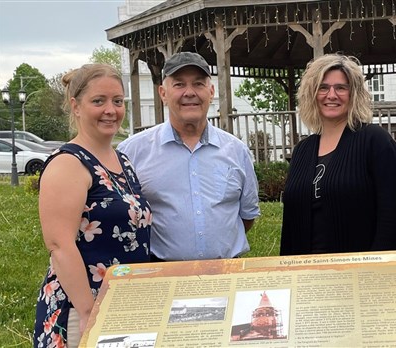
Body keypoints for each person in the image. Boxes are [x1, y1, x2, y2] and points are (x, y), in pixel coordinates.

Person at [34, 64, 152, 348]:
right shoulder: (68, 163)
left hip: (122, 306)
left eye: (117, 101)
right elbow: (60, 245)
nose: (110, 110)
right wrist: (89, 312)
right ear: (76, 106)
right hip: (80, 310)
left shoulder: (122, 161)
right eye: (98, 101)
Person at [118, 51, 260, 261]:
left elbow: (247, 216)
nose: (190, 92)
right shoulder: (132, 152)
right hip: (161, 276)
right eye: (179, 84)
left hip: (227, 275)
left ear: (211, 92)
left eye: (198, 84)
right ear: (163, 93)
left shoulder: (237, 151)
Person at [280, 53, 396, 255]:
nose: (331, 95)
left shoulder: (376, 142)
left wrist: (371, 268)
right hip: (305, 277)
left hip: (356, 276)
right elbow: (290, 224)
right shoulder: (302, 151)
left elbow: (393, 219)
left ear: (354, 93)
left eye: (341, 87)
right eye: (323, 87)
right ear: (311, 94)